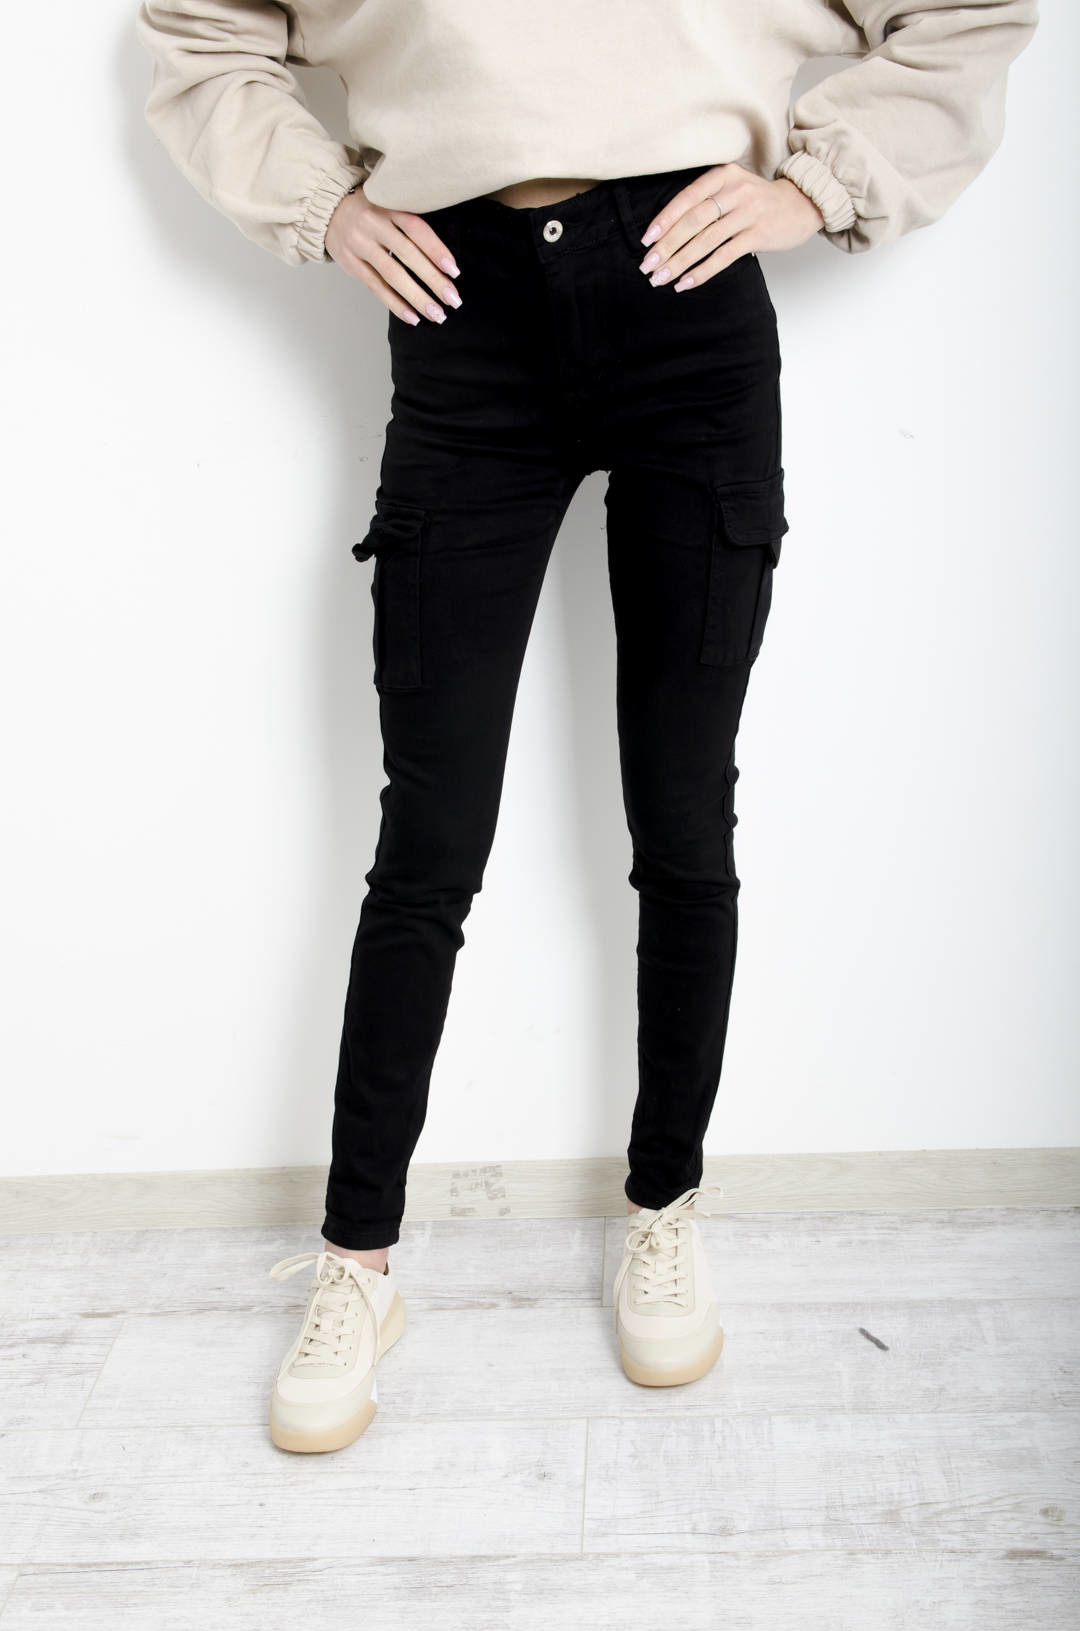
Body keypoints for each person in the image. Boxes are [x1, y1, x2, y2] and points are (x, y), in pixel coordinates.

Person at [135, 0, 1039, 1453]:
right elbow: (198, 29)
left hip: (688, 300)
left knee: (682, 816)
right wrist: (321, 206)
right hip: (459, 308)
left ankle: (663, 1205)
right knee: (429, 839)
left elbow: (969, 16)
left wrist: (818, 184)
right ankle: (359, 1264)